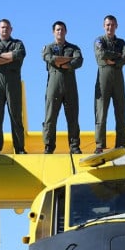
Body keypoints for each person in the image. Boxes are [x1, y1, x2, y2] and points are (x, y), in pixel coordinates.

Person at [0, 18, 27, 154]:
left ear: (11, 29)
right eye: (2, 27)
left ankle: (19, 147)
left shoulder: (18, 44)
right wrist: (9, 57)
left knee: (16, 115)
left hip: (13, 84)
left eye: (7, 27)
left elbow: (19, 54)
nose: (4, 30)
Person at [92, 15, 125, 153]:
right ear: (104, 26)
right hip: (103, 78)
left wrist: (115, 61)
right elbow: (101, 54)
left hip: (118, 78)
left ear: (116, 26)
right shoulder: (99, 40)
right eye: (108, 25)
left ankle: (122, 144)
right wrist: (118, 55)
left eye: (112, 25)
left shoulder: (121, 42)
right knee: (101, 111)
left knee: (120, 110)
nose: (110, 27)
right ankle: (100, 145)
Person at [41, 21, 83, 154]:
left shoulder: (74, 48)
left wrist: (61, 63)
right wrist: (67, 61)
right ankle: (49, 145)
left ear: (66, 31)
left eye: (62, 29)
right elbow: (49, 58)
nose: (60, 32)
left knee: (73, 117)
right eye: (57, 30)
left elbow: (78, 61)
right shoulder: (48, 47)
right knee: (50, 116)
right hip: (53, 85)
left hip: (70, 85)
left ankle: (74, 146)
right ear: (53, 32)